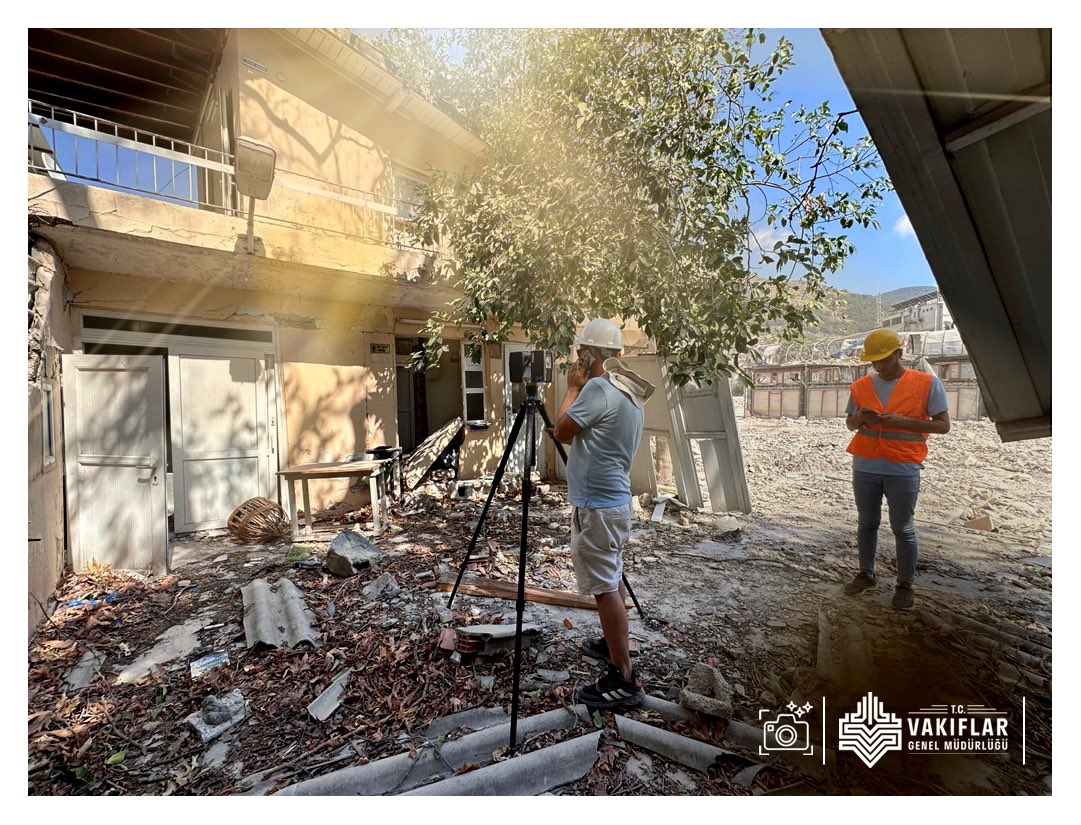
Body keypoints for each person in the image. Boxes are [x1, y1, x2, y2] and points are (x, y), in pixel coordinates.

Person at [549, 318, 654, 709]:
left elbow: (561, 430)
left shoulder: (596, 388)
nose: (578, 360)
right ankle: (614, 644)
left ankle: (624, 678)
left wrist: (572, 387)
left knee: (605, 586)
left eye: (581, 353)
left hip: (597, 506)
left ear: (591, 355)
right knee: (610, 576)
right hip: (615, 503)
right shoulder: (630, 392)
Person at [843, 328, 950, 609]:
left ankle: (905, 585)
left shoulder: (927, 384)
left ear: (899, 354)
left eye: (885, 360)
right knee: (867, 523)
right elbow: (849, 424)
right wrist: (859, 418)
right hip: (865, 465)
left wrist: (902, 421)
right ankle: (866, 574)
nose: (879, 367)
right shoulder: (861, 386)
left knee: (902, 528)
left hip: (903, 466)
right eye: (874, 362)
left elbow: (943, 425)